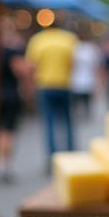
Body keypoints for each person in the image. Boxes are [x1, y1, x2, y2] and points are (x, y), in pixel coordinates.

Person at [25, 17, 77, 158]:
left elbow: (31, 66)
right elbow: (72, 63)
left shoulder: (37, 40)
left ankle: (52, 156)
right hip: (64, 84)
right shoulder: (69, 39)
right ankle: (71, 153)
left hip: (45, 86)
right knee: (68, 121)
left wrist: (28, 86)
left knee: (49, 122)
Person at [0, 14, 29, 182]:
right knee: (7, 132)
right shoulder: (12, 49)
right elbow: (20, 71)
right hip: (9, 94)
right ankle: (3, 166)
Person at [70, 29, 103, 118]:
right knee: (86, 100)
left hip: (76, 79)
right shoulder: (92, 48)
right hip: (87, 79)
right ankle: (86, 114)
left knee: (78, 100)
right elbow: (97, 66)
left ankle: (79, 114)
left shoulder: (74, 48)